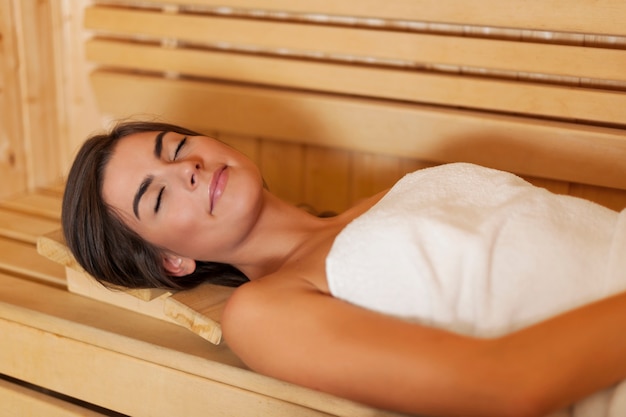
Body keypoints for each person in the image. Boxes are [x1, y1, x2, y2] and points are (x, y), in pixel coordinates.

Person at [62, 120, 626, 417]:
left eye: (176, 145)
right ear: (172, 261)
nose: (187, 167)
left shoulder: (386, 196)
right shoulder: (264, 312)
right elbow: (507, 387)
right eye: (156, 199)